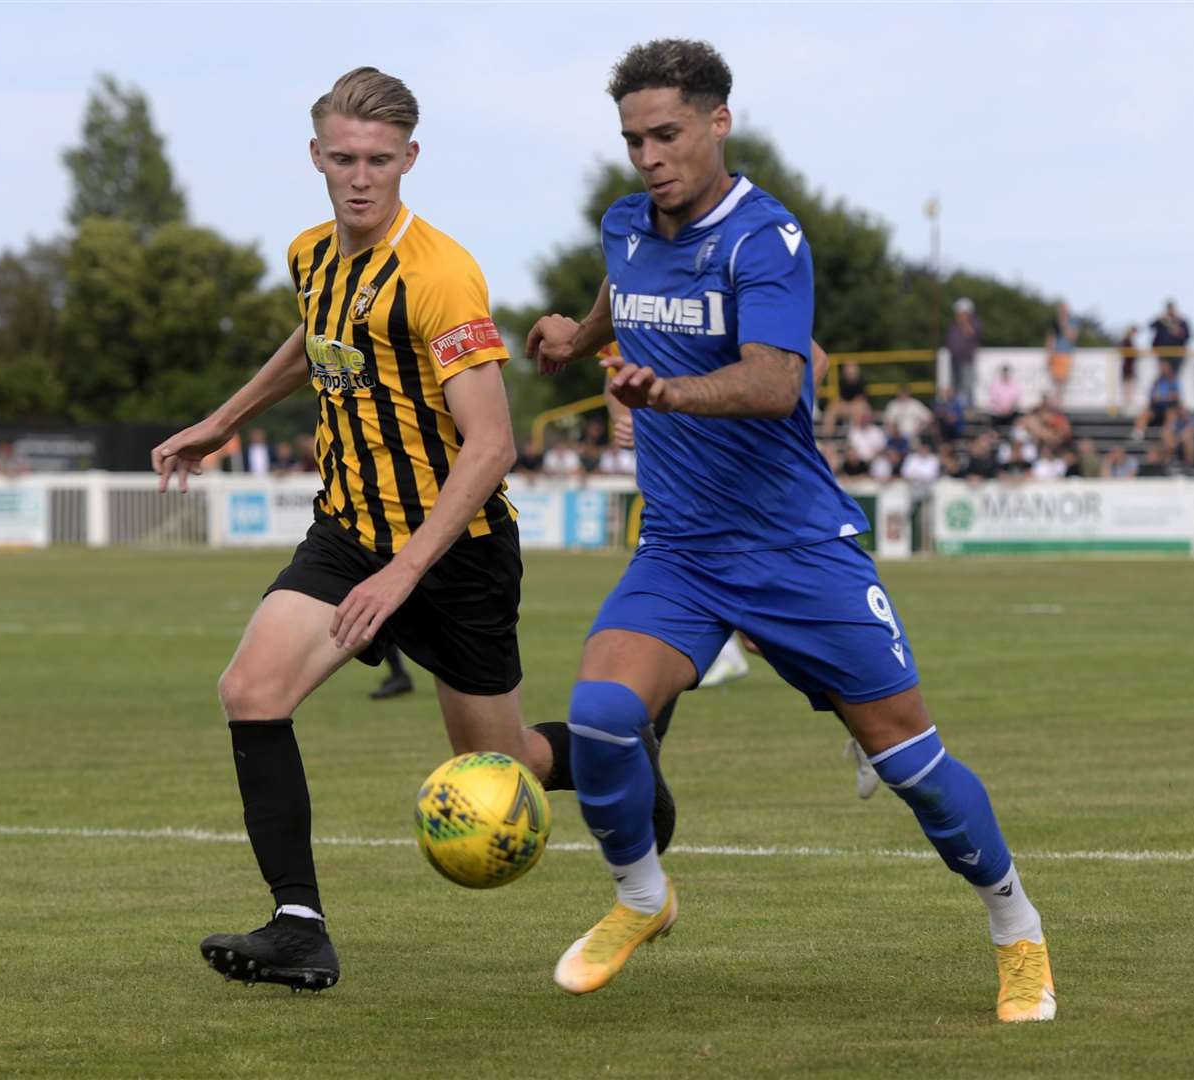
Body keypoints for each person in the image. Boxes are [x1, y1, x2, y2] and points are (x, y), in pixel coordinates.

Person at [525, 39, 1054, 1021]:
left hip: (793, 550)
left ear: (719, 123)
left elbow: (775, 385)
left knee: (914, 769)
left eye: (667, 134)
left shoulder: (765, 239)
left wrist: (665, 388)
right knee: (600, 715)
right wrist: (579, 337)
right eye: (633, 138)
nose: (648, 155)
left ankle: (1015, 927)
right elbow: (624, 297)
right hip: (681, 553)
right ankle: (644, 899)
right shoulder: (625, 226)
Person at [150, 67, 671, 995]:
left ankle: (615, 756)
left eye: (379, 161)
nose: (359, 177)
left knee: (499, 764)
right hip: (346, 532)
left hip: (454, 551)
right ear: (316, 156)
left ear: (410, 160)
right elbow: (315, 340)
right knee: (251, 690)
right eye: (343, 158)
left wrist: (404, 575)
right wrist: (227, 416)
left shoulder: (439, 274)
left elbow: (493, 445)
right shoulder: (312, 254)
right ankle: (299, 927)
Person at [946, 298, 982, 404]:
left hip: (967, 359)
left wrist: (964, 322)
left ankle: (969, 408)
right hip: (954, 359)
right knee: (955, 385)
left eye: (960, 312)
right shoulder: (954, 324)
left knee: (967, 385)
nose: (957, 315)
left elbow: (971, 334)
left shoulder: (975, 323)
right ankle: (956, 408)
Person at [1043, 301, 1078, 407]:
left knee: (1062, 381)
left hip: (1065, 354)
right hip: (1055, 354)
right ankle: (1054, 403)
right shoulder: (1053, 323)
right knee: (1055, 381)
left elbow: (1072, 339)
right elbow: (1050, 339)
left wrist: (1064, 326)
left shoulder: (1072, 323)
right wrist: (1049, 354)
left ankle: (1059, 403)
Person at [1149, 300, 1191, 378]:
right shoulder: (1161, 321)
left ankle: (1172, 389)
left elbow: (1187, 336)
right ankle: (1162, 389)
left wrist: (1177, 330)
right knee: (1164, 374)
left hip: (1177, 354)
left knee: (1174, 376)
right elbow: (1151, 326)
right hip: (1163, 353)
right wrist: (1161, 318)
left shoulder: (1181, 321)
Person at [985, 365, 1022, 430]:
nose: (1005, 375)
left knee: (1017, 420)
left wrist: (1009, 408)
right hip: (997, 413)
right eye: (1004, 373)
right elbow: (993, 399)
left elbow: (1016, 399)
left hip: (1011, 413)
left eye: (1007, 373)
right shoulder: (995, 385)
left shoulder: (1014, 385)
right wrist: (1002, 409)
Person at [1117, 324, 1141, 415]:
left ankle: (1128, 407)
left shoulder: (1128, 341)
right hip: (1128, 368)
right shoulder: (1126, 341)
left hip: (1129, 368)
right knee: (1128, 388)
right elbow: (1127, 353)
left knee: (1129, 388)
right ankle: (1127, 408)